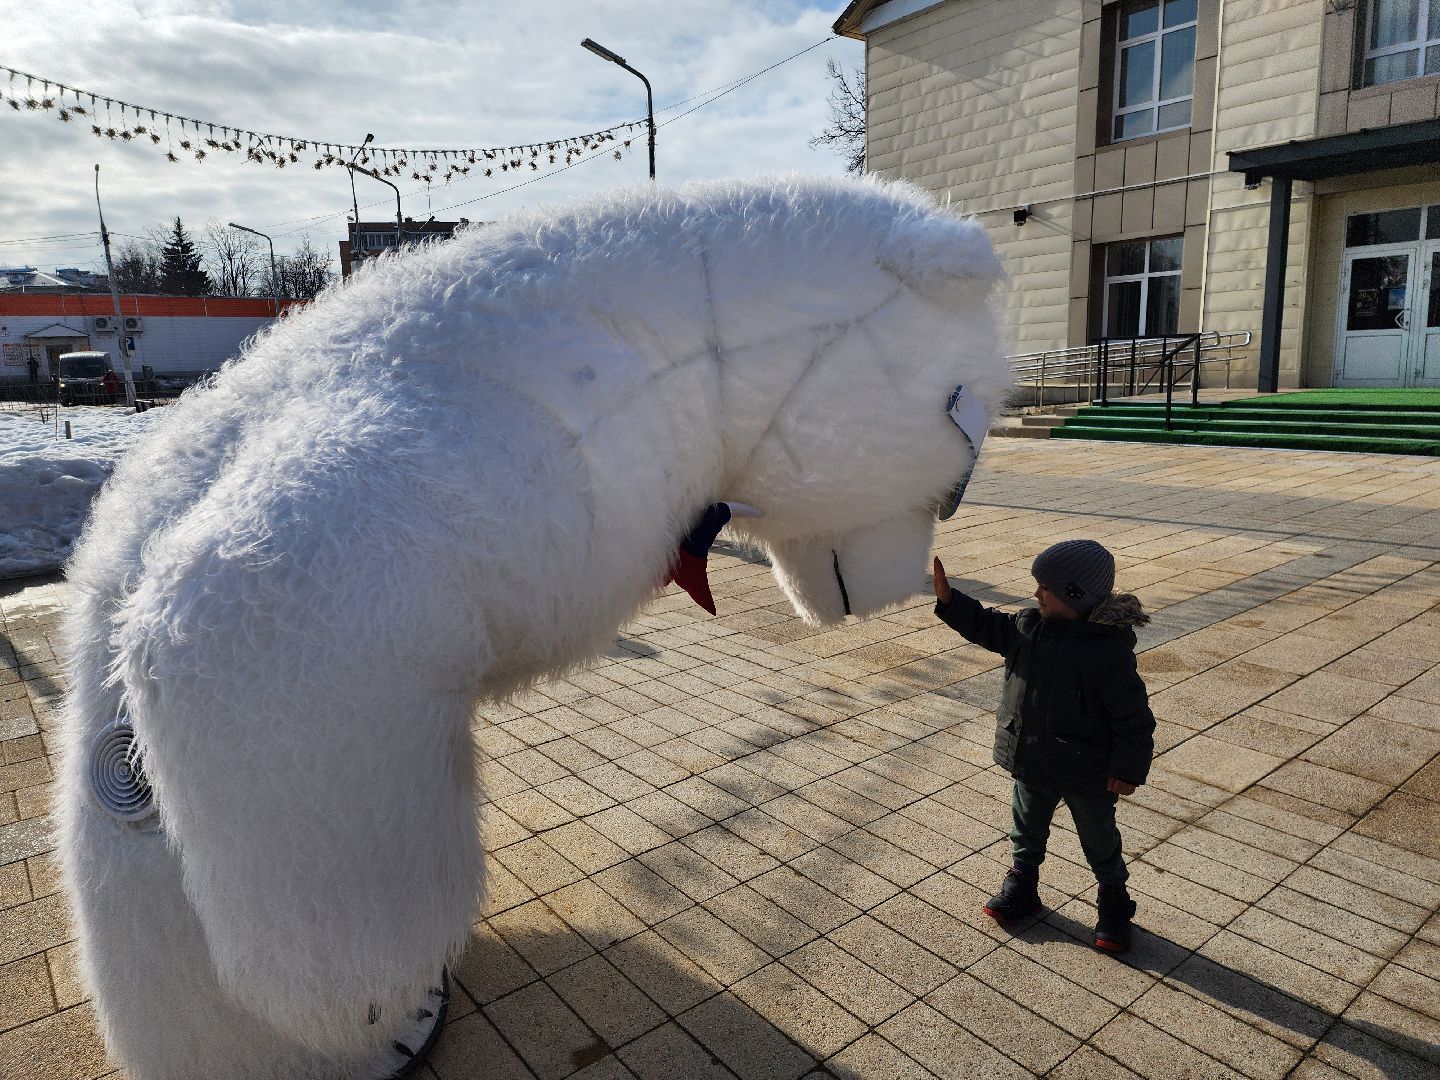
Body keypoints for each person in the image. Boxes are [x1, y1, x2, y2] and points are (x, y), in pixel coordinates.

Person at [932, 539, 1154, 953]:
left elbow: (1133, 717)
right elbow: (987, 626)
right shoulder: (1028, 627)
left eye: (1044, 588)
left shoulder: (1107, 652)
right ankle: (1022, 885)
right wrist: (950, 601)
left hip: (1087, 770)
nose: (1035, 595)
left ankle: (1113, 901)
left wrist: (1127, 769)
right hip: (1031, 758)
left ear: (1074, 595)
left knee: (1099, 838)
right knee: (1027, 827)